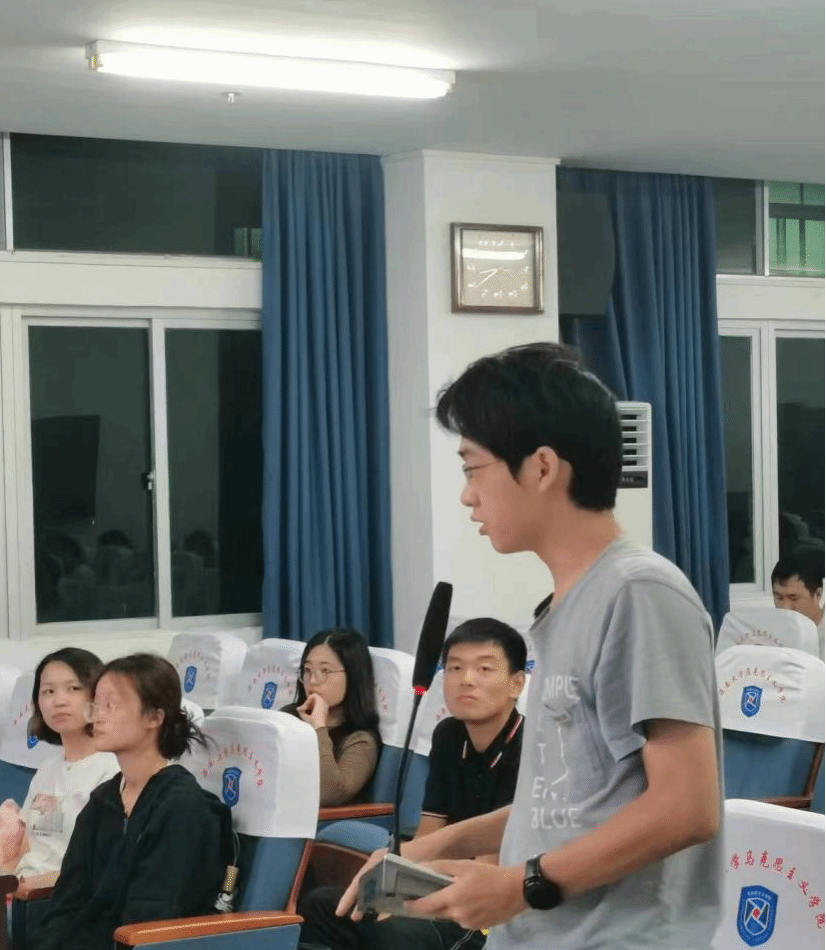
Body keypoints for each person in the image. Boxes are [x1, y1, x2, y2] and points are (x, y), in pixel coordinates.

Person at [338, 342, 723, 950]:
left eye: (473, 468)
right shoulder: (568, 605)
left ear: (542, 468)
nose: (467, 495)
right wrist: (431, 848)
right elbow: (566, 808)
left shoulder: (640, 593)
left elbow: (687, 808)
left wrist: (522, 884)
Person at [299, 617, 527, 950]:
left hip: (486, 905)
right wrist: (398, 888)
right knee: (322, 906)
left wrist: (406, 900)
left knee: (395, 932)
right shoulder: (448, 735)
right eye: (455, 668)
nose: (466, 680)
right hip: (441, 881)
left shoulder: (529, 747)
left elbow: (488, 864)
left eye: (484, 669)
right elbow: (428, 833)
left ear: (516, 684)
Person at [33, 653, 234, 950]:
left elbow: (151, 918)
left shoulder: (182, 807)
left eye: (111, 705)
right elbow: (66, 902)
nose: (97, 716)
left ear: (154, 717)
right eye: (96, 704)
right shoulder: (103, 800)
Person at [1, 648, 119, 897]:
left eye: (73, 688)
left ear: (98, 695)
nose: (59, 701)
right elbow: (27, 850)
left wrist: (31, 886)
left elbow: (102, 865)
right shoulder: (47, 769)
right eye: (48, 691)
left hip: (60, 897)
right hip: (21, 894)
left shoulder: (113, 769)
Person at [283, 628, 382, 807]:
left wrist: (319, 727)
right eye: (307, 670)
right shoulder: (288, 717)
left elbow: (328, 794)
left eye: (325, 671)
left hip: (317, 820)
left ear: (353, 675)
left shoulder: (361, 740)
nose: (313, 681)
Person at [771, 545, 825, 660]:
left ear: (818, 594)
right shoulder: (770, 632)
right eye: (779, 597)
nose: (785, 608)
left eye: (794, 598)